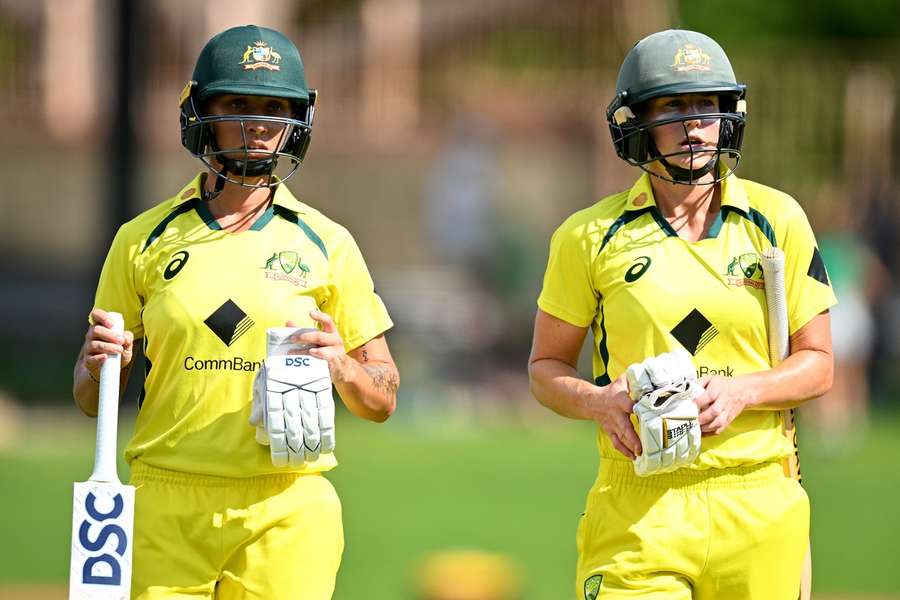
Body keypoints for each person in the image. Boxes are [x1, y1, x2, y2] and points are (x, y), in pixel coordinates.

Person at [72, 24, 399, 599]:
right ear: (202, 112)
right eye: (237, 105)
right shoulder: (140, 240)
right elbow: (87, 394)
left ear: (295, 122)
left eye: (274, 107)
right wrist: (103, 365)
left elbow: (384, 396)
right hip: (165, 503)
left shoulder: (328, 243)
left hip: (287, 504)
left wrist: (345, 369)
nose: (257, 125)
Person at [528, 30, 835, 599]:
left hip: (759, 499)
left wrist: (744, 391)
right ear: (636, 120)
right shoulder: (587, 237)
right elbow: (545, 369)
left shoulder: (777, 218)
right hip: (641, 504)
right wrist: (598, 401)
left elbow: (818, 365)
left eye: (707, 105)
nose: (695, 122)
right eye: (673, 106)